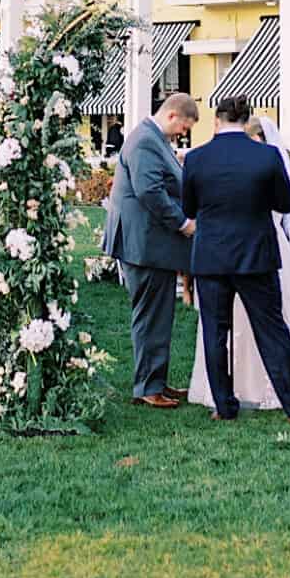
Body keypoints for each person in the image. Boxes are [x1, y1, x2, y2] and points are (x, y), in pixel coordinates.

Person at [181, 95, 290, 424]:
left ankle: (224, 407)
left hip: (211, 256)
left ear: (217, 120)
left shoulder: (196, 159)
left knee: (215, 332)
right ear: (246, 120)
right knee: (271, 330)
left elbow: (189, 209)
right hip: (256, 255)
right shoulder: (266, 156)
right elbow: (285, 203)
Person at [101, 91, 196, 409]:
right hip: (144, 244)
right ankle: (147, 386)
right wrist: (183, 223)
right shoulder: (145, 140)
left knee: (159, 313)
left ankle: (155, 380)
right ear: (172, 115)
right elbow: (150, 191)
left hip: (151, 244)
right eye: (184, 127)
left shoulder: (154, 139)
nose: (184, 134)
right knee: (151, 314)